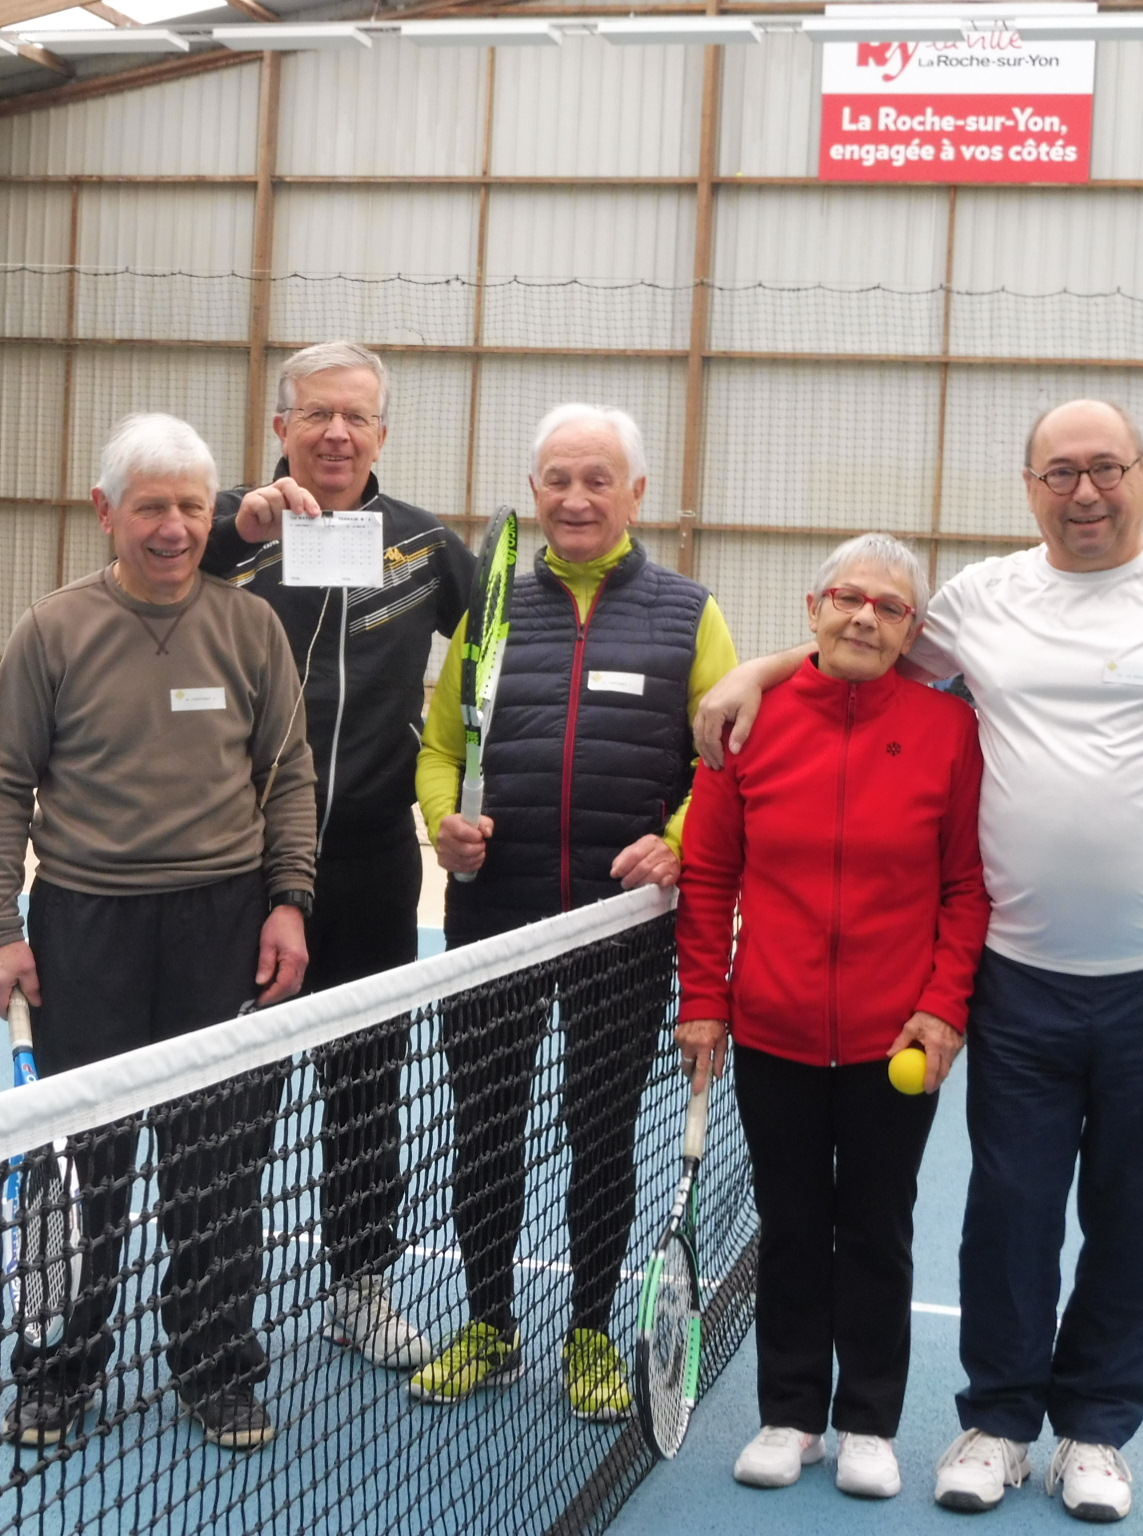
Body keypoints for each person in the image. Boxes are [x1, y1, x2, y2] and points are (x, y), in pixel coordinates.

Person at [694, 400, 1143, 1522]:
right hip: (1017, 976)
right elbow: (858, 632)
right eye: (1059, 472)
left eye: (1104, 469)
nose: (1084, 492)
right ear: (1027, 485)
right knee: (1009, 1214)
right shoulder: (981, 600)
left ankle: (1094, 1433)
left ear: (1142, 475)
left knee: (1139, 1213)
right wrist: (759, 672)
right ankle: (997, 1423)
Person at [0, 413, 319, 1454]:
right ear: (105, 510)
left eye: (190, 506)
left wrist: (288, 899)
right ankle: (57, 1370)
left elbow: (288, 774)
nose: (172, 528)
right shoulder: (52, 629)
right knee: (83, 1173)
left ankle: (215, 1367)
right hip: (83, 929)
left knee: (217, 1168)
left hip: (222, 925)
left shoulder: (249, 626)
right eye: (151, 506)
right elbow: (0, 790)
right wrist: (0, 928)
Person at [411, 403, 739, 1422]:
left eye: (597, 479)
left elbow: (727, 767)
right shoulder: (489, 610)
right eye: (556, 478)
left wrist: (680, 839)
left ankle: (590, 1332)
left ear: (635, 494)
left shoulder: (689, 613)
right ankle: (488, 1324)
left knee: (599, 1135)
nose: (575, 498)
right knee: (483, 1129)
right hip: (493, 919)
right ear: (534, 490)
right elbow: (436, 750)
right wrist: (440, 825)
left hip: (616, 930)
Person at [674, 532, 989, 1502]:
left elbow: (966, 888)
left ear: (911, 630)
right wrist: (702, 1004)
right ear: (812, 607)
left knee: (877, 1227)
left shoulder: (947, 733)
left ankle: (867, 1421)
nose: (863, 616)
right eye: (847, 598)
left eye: (887, 606)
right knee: (791, 1221)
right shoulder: (747, 724)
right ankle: (790, 1415)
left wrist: (940, 1012)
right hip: (770, 1032)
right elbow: (709, 874)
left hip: (892, 1043)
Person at [203, 341, 475, 1371]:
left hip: (369, 859)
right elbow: (152, 567)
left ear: (381, 433)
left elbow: (498, 650)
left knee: (365, 1079)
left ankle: (358, 1282)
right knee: (236, 1085)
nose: (335, 434)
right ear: (280, 426)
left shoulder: (421, 548)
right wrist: (240, 518)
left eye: (355, 417)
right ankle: (217, 1293)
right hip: (240, 859)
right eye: (315, 414)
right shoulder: (229, 531)